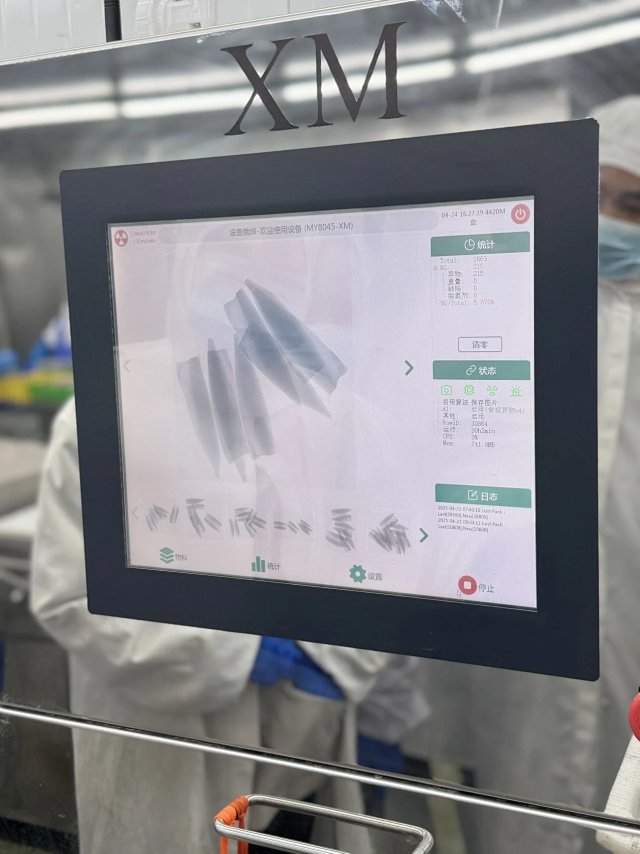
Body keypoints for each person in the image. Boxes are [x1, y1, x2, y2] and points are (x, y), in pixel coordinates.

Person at [409, 96, 640, 854]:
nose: (606, 220)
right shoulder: (501, 304)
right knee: (513, 811)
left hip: (631, 647)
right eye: (592, 194)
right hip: (514, 654)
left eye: (633, 205)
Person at [30, 398, 389, 854]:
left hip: (298, 743)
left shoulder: (327, 405)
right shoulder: (100, 415)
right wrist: (240, 651)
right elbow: (70, 599)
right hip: (163, 746)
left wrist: (338, 662)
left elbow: (381, 554)